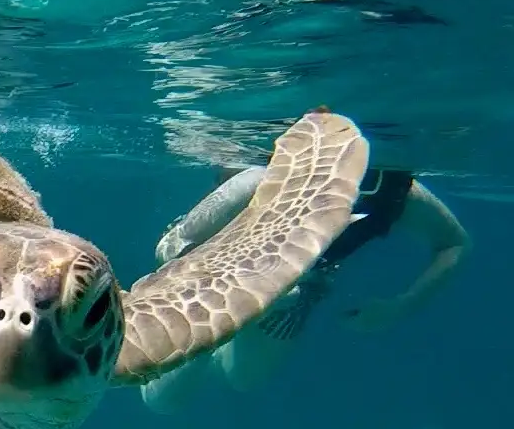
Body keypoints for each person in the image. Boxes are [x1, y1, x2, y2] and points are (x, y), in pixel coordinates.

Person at [140, 164, 471, 413]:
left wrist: (401, 306)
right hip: (212, 287)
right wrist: (233, 289)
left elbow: (454, 242)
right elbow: (169, 247)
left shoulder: (392, 192)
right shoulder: (260, 180)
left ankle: (217, 349)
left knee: (244, 379)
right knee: (162, 400)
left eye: (364, 181)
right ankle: (208, 347)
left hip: (298, 292)